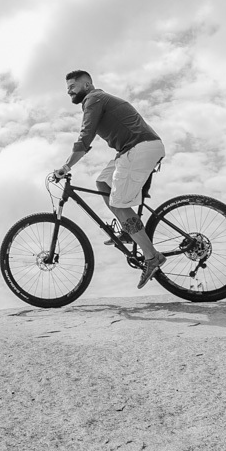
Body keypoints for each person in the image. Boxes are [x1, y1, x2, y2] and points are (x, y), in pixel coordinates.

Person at [53, 70, 166, 289]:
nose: (69, 91)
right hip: (133, 149)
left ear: (87, 85)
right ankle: (128, 230)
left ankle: (152, 257)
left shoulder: (93, 99)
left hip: (139, 148)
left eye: (72, 86)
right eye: (67, 88)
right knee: (103, 182)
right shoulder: (97, 99)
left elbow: (86, 136)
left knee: (118, 204)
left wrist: (66, 166)